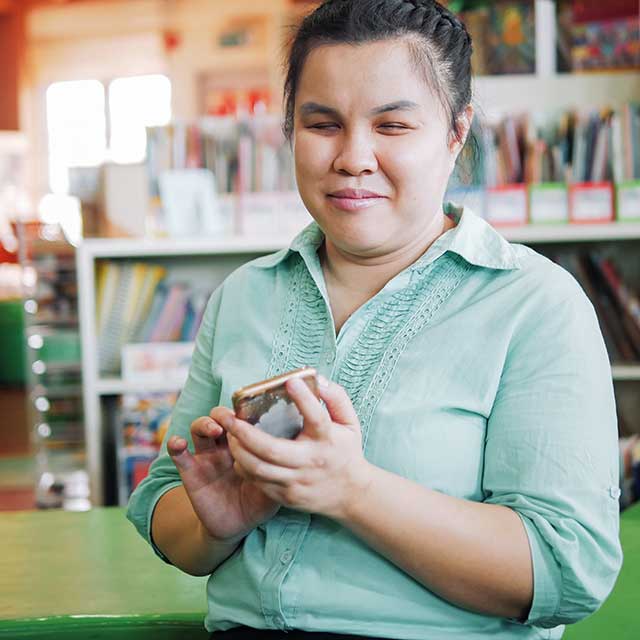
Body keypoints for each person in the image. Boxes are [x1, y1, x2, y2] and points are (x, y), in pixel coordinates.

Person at [127, 1, 623, 638]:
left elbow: (566, 571)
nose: (353, 157)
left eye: (392, 126)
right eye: (323, 123)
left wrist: (351, 490)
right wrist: (220, 524)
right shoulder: (243, 294)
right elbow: (168, 511)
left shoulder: (537, 304)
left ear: (456, 132)